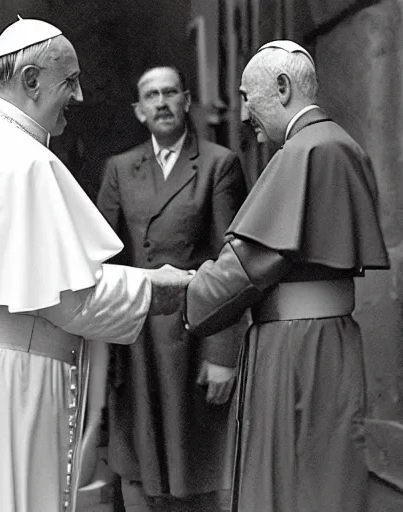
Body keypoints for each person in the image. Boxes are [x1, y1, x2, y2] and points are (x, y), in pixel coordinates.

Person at [0, 18, 192, 512]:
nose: (79, 97)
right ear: (32, 80)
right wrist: (156, 288)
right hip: (7, 383)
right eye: (69, 82)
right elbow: (69, 299)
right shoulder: (23, 159)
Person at [184, 40, 390, 512]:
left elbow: (248, 264)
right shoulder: (342, 144)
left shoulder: (304, 152)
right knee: (323, 482)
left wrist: (192, 292)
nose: (242, 114)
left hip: (295, 349)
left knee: (286, 486)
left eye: (247, 97)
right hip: (328, 342)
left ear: (281, 88)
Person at [97, 66, 247, 512]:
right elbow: (103, 256)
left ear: (186, 101)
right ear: (139, 111)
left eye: (169, 93)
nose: (161, 102)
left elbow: (232, 264)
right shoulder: (120, 169)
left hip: (193, 337)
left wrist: (223, 354)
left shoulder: (219, 165)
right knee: (138, 467)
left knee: (195, 470)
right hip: (137, 340)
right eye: (151, 96)